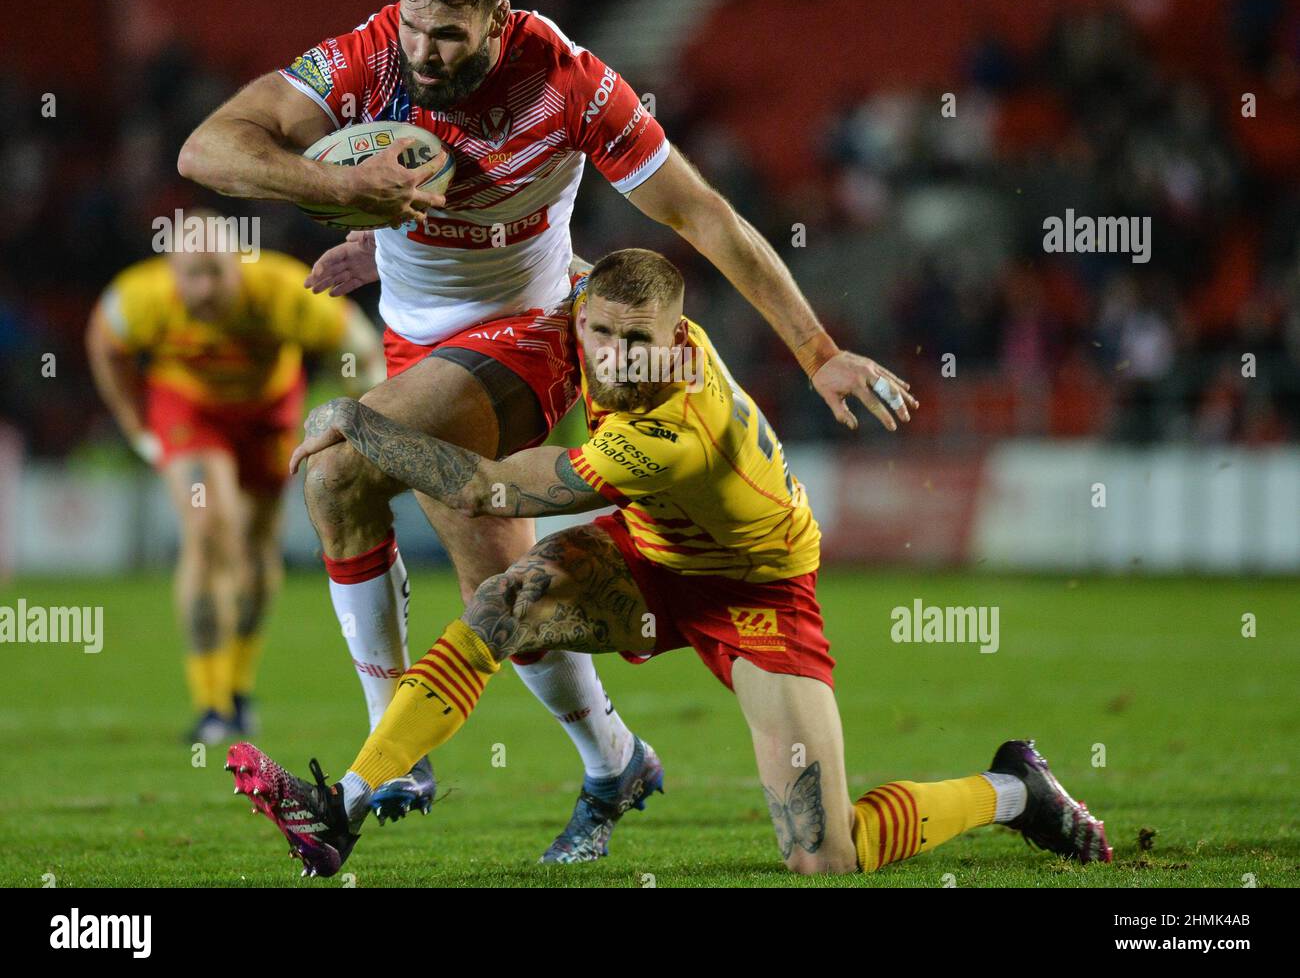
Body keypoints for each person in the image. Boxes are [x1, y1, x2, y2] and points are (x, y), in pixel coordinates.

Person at [178, 0, 912, 859]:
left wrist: (819, 352)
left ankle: (390, 752)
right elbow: (206, 151)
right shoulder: (369, 61)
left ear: (497, 15)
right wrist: (344, 200)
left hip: (531, 333)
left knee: (337, 470)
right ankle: (615, 761)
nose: (425, 51)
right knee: (510, 602)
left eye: (449, 32)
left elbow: (704, 213)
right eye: (412, 24)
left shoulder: (568, 85)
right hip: (420, 347)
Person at [224, 248, 1111, 877]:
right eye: (601, 333)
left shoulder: (673, 433)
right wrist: (395, 254)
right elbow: (534, 258)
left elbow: (490, 493)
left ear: (679, 340)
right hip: (653, 557)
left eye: (638, 342)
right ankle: (346, 801)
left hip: (757, 595)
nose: (614, 358)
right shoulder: (593, 311)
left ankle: (1013, 792)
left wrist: (361, 422)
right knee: (507, 598)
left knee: (826, 855)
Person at [86, 234, 384, 743]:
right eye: (191, 275)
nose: (202, 289)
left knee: (257, 544)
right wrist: (138, 427)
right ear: (171, 272)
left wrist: (366, 423)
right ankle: (210, 704)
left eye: (215, 273)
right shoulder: (140, 297)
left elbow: (357, 347)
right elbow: (104, 345)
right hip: (190, 411)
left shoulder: (285, 289)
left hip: (269, 415)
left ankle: (238, 691)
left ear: (239, 267)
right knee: (209, 528)